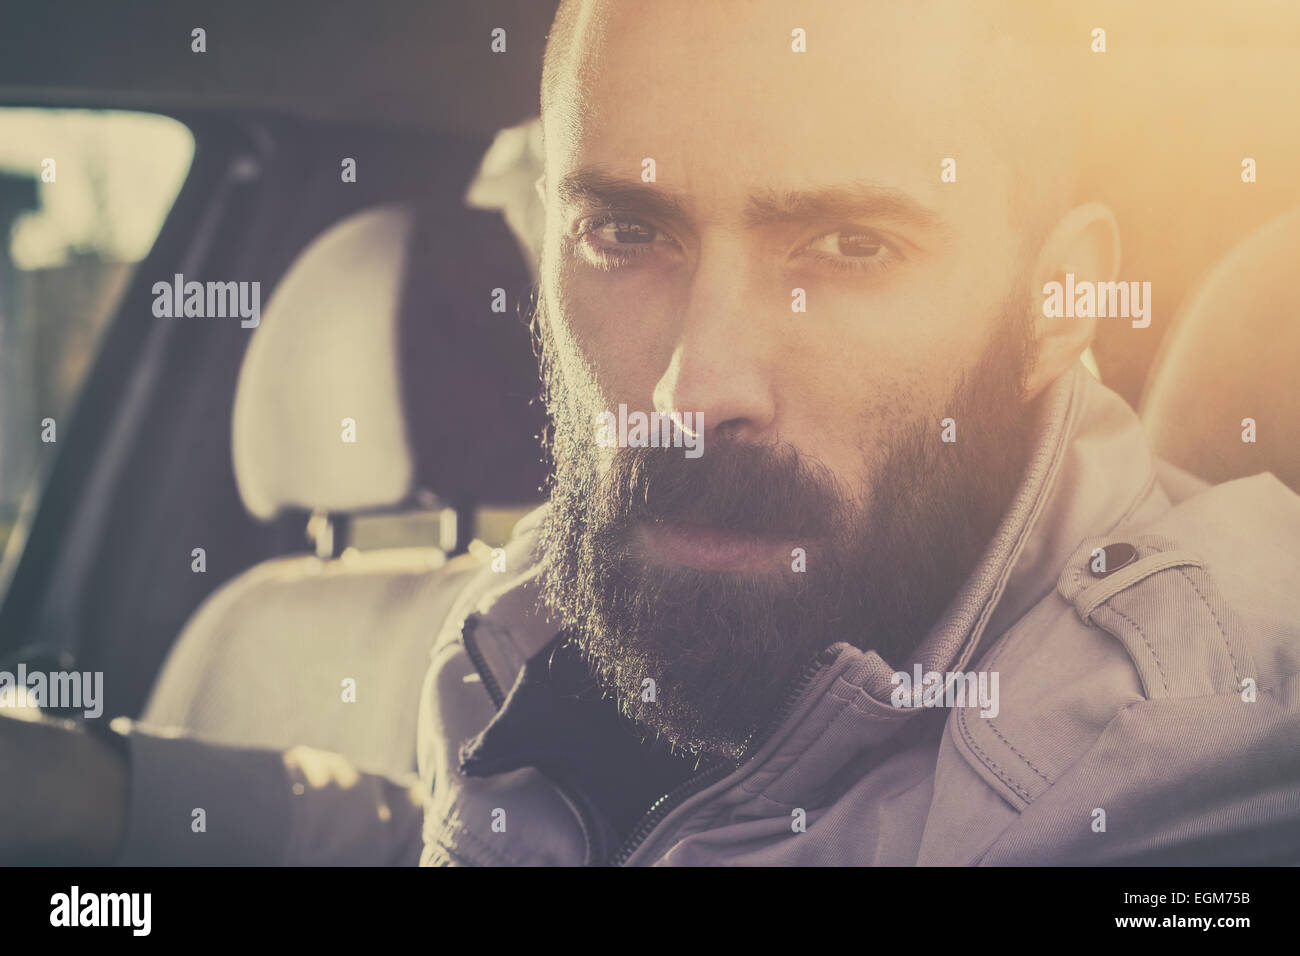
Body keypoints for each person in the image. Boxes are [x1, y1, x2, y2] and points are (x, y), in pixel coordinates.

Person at [3, 0, 1299, 866]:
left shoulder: (1191, 754)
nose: (692, 388)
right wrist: (110, 800)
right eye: (626, 231)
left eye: (850, 247)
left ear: (1058, 302)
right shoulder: (553, 610)